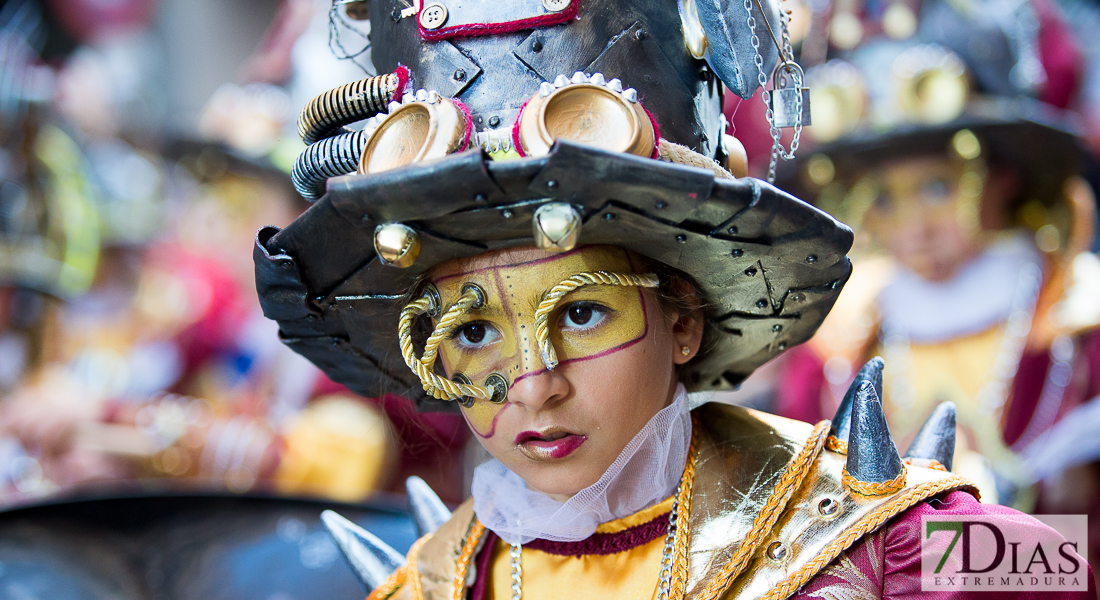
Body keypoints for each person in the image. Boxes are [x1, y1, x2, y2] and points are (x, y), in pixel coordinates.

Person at [254, 0, 1094, 597]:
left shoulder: (892, 549)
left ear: (682, 319)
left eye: (581, 311)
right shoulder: (430, 588)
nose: (533, 384)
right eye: (473, 332)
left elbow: (1067, 573)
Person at [772, 0, 1100, 515]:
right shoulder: (838, 348)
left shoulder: (1078, 328)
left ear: (1004, 175)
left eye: (939, 187)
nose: (914, 228)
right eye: (882, 199)